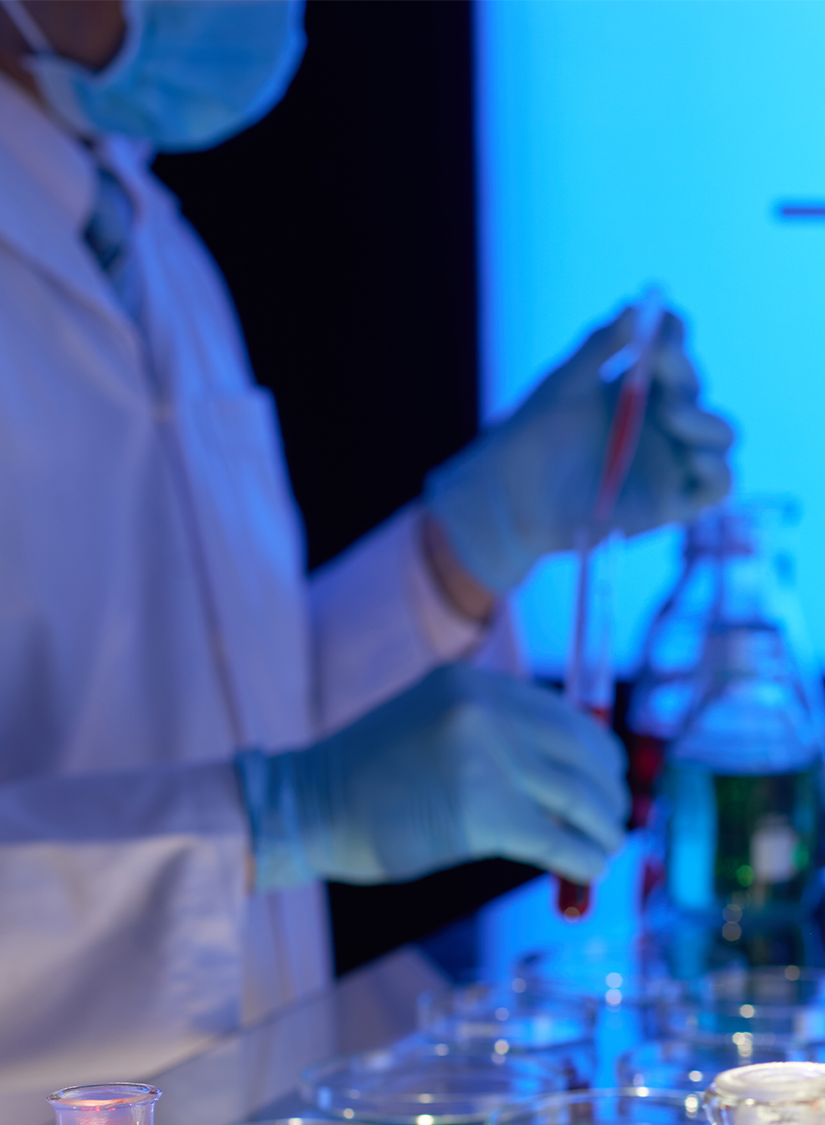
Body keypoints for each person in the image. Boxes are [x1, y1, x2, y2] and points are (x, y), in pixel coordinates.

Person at [0, 0, 732, 1109]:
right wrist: (285, 814)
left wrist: (472, 543)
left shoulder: (138, 225)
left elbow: (227, 720)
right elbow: (271, 798)